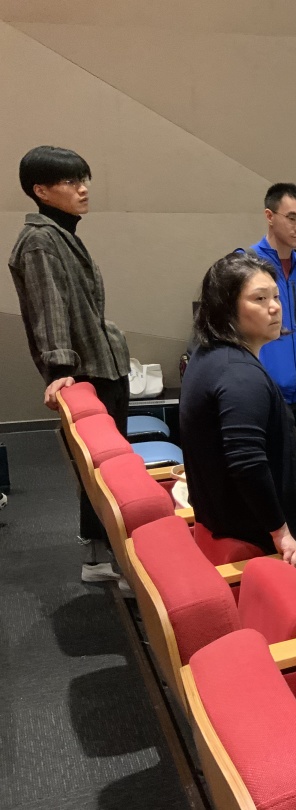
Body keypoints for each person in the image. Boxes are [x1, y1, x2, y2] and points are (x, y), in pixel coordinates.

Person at [8, 146, 130, 582]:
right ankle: (107, 559)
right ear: (41, 190)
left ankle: (102, 556)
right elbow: (49, 308)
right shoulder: (40, 241)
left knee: (106, 472)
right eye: (70, 181)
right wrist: (61, 369)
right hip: (87, 372)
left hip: (102, 363)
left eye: (84, 179)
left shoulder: (61, 233)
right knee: (103, 472)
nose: (83, 189)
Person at [180, 252, 296, 570]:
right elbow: (247, 462)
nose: (275, 307)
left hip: (231, 517)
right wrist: (282, 533)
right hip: (256, 533)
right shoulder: (239, 374)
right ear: (226, 307)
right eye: (259, 299)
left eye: (276, 296)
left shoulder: (208, 353)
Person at [248, 183, 296, 443]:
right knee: (270, 462)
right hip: (265, 393)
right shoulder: (247, 265)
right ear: (269, 216)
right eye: (292, 218)